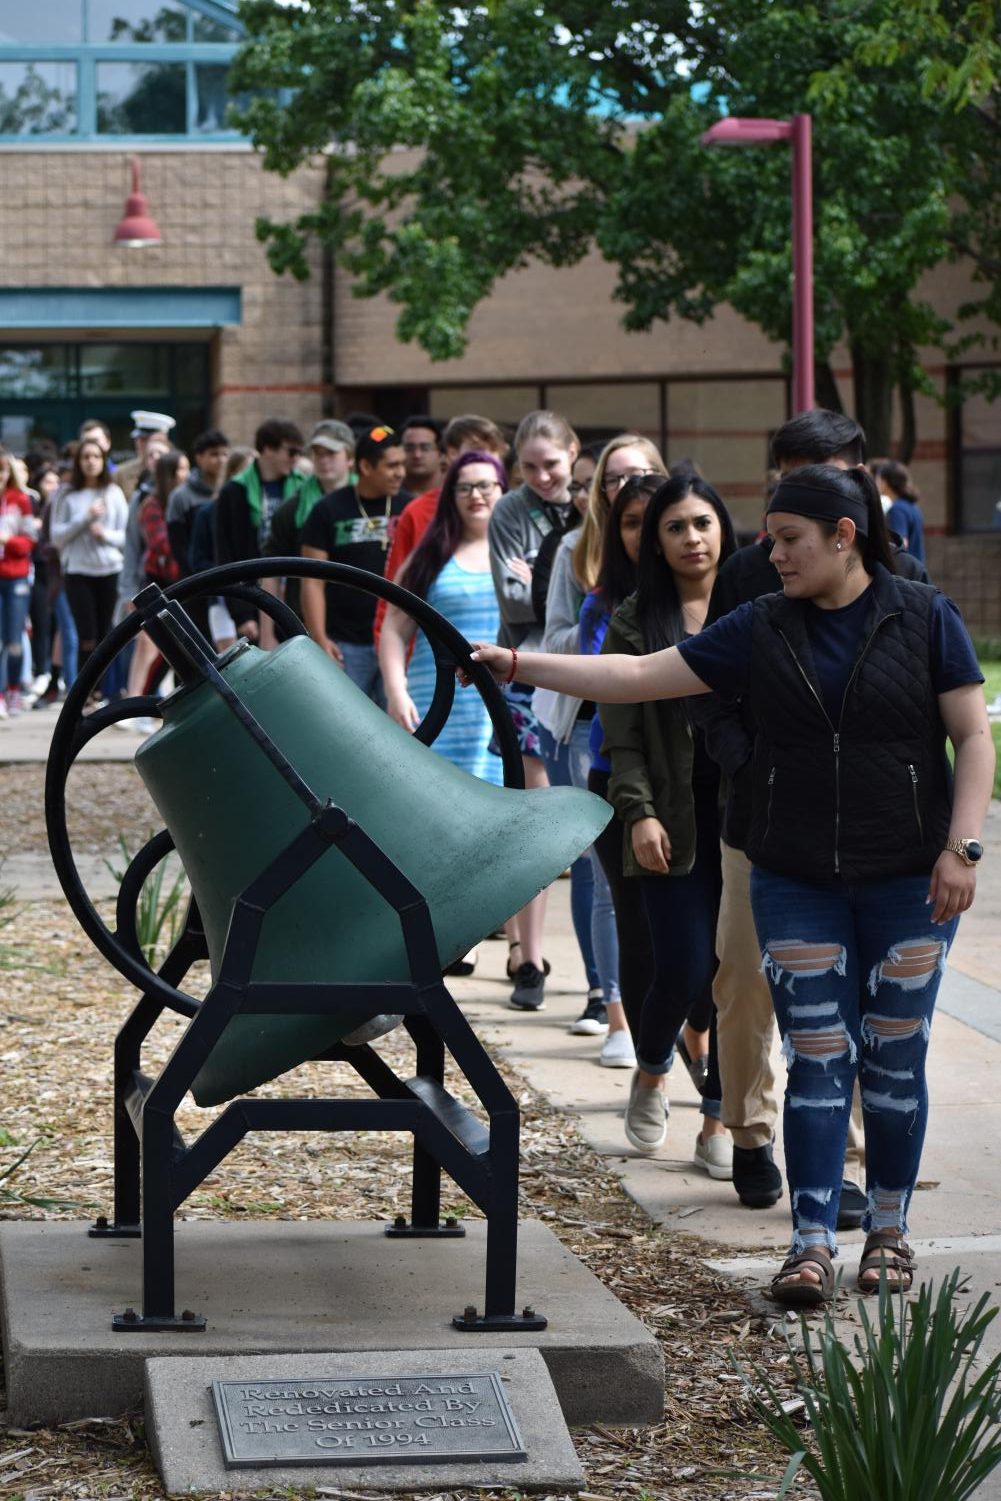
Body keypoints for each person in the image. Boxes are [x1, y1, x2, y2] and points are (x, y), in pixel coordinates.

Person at [467, 463, 994, 1304]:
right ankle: (812, 1242)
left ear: (843, 536)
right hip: (792, 876)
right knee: (817, 1057)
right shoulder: (760, 625)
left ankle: (888, 1227)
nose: (771, 555)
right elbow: (640, 676)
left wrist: (960, 849)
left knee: (894, 1062)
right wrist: (520, 665)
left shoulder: (924, 617)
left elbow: (971, 736)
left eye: (788, 540)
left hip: (908, 880)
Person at [703, 409, 927, 1217]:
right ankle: (749, 1132)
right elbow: (700, 687)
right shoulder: (750, 572)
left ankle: (850, 1170)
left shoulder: (905, 584)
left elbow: (943, 713)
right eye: (792, 468)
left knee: (863, 1015)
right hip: (762, 829)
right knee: (744, 984)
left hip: (870, 842)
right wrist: (750, 762)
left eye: (829, 467)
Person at [597, 474, 735, 1175]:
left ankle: (718, 1115)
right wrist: (640, 813)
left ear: (722, 529)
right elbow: (619, 736)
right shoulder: (633, 618)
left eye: (702, 522)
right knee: (678, 963)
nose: (691, 537)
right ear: (655, 540)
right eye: (675, 526)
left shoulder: (755, 608)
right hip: (668, 822)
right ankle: (652, 1067)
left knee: (733, 975)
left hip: (746, 820)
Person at [537, 437, 668, 1045]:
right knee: (603, 872)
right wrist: (611, 654)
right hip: (590, 723)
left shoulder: (699, 568)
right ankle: (612, 1004)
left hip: (673, 736)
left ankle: (667, 1022)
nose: (623, 486)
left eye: (638, 475)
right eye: (613, 480)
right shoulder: (576, 555)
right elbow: (557, 636)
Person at [487, 409, 580, 1011]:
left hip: (587, 672)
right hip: (522, 671)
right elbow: (517, 604)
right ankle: (529, 954)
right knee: (538, 812)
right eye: (529, 466)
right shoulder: (508, 512)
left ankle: (604, 982)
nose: (542, 476)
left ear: (573, 453)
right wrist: (566, 586)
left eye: (552, 463)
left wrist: (541, 576)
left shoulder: (591, 506)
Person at [379, 449, 505, 782]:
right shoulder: (431, 553)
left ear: (503, 489)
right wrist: (395, 691)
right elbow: (393, 627)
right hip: (436, 700)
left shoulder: (523, 553)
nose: (475, 495)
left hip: (500, 704)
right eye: (463, 488)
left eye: (485, 485)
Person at [300, 424, 410, 702]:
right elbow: (312, 580)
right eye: (392, 465)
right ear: (365, 466)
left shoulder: (410, 508)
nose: (401, 473)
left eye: (402, 465)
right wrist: (320, 639)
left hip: (398, 640)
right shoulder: (328, 509)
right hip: (344, 644)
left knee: (400, 730)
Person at [214, 418, 306, 643]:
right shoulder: (234, 492)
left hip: (294, 597)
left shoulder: (303, 487)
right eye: (291, 452)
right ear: (267, 449)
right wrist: (241, 614)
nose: (296, 458)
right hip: (253, 598)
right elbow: (225, 555)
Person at [261, 419, 356, 637]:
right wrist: (267, 637)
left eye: (331, 454)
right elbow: (270, 573)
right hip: (303, 625)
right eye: (318, 454)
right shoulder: (292, 508)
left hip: (359, 627)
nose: (323, 461)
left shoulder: (370, 503)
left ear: (350, 458)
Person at [49, 437, 128, 686]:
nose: (91, 462)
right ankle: (85, 693)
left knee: (107, 636)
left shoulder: (113, 492)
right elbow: (57, 537)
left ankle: (103, 691)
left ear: (103, 461)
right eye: (86, 457)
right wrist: (85, 518)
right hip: (78, 572)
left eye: (96, 456)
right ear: (78, 462)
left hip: (109, 570)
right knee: (87, 636)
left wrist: (104, 534)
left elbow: (126, 536)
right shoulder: (66, 494)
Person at [0, 446, 37, 718]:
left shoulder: (20, 499)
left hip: (15, 575)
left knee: (14, 637)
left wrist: (7, 541)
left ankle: (14, 689)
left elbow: (29, 541)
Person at [871, 458, 925, 564]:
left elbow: (900, 544)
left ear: (885, 482)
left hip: (906, 574)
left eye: (877, 479)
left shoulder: (897, 509)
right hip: (917, 570)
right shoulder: (913, 506)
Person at [400, 415, 444, 496]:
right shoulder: (388, 493)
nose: (417, 455)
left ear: (440, 453)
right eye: (409, 448)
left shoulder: (453, 493)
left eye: (425, 448)